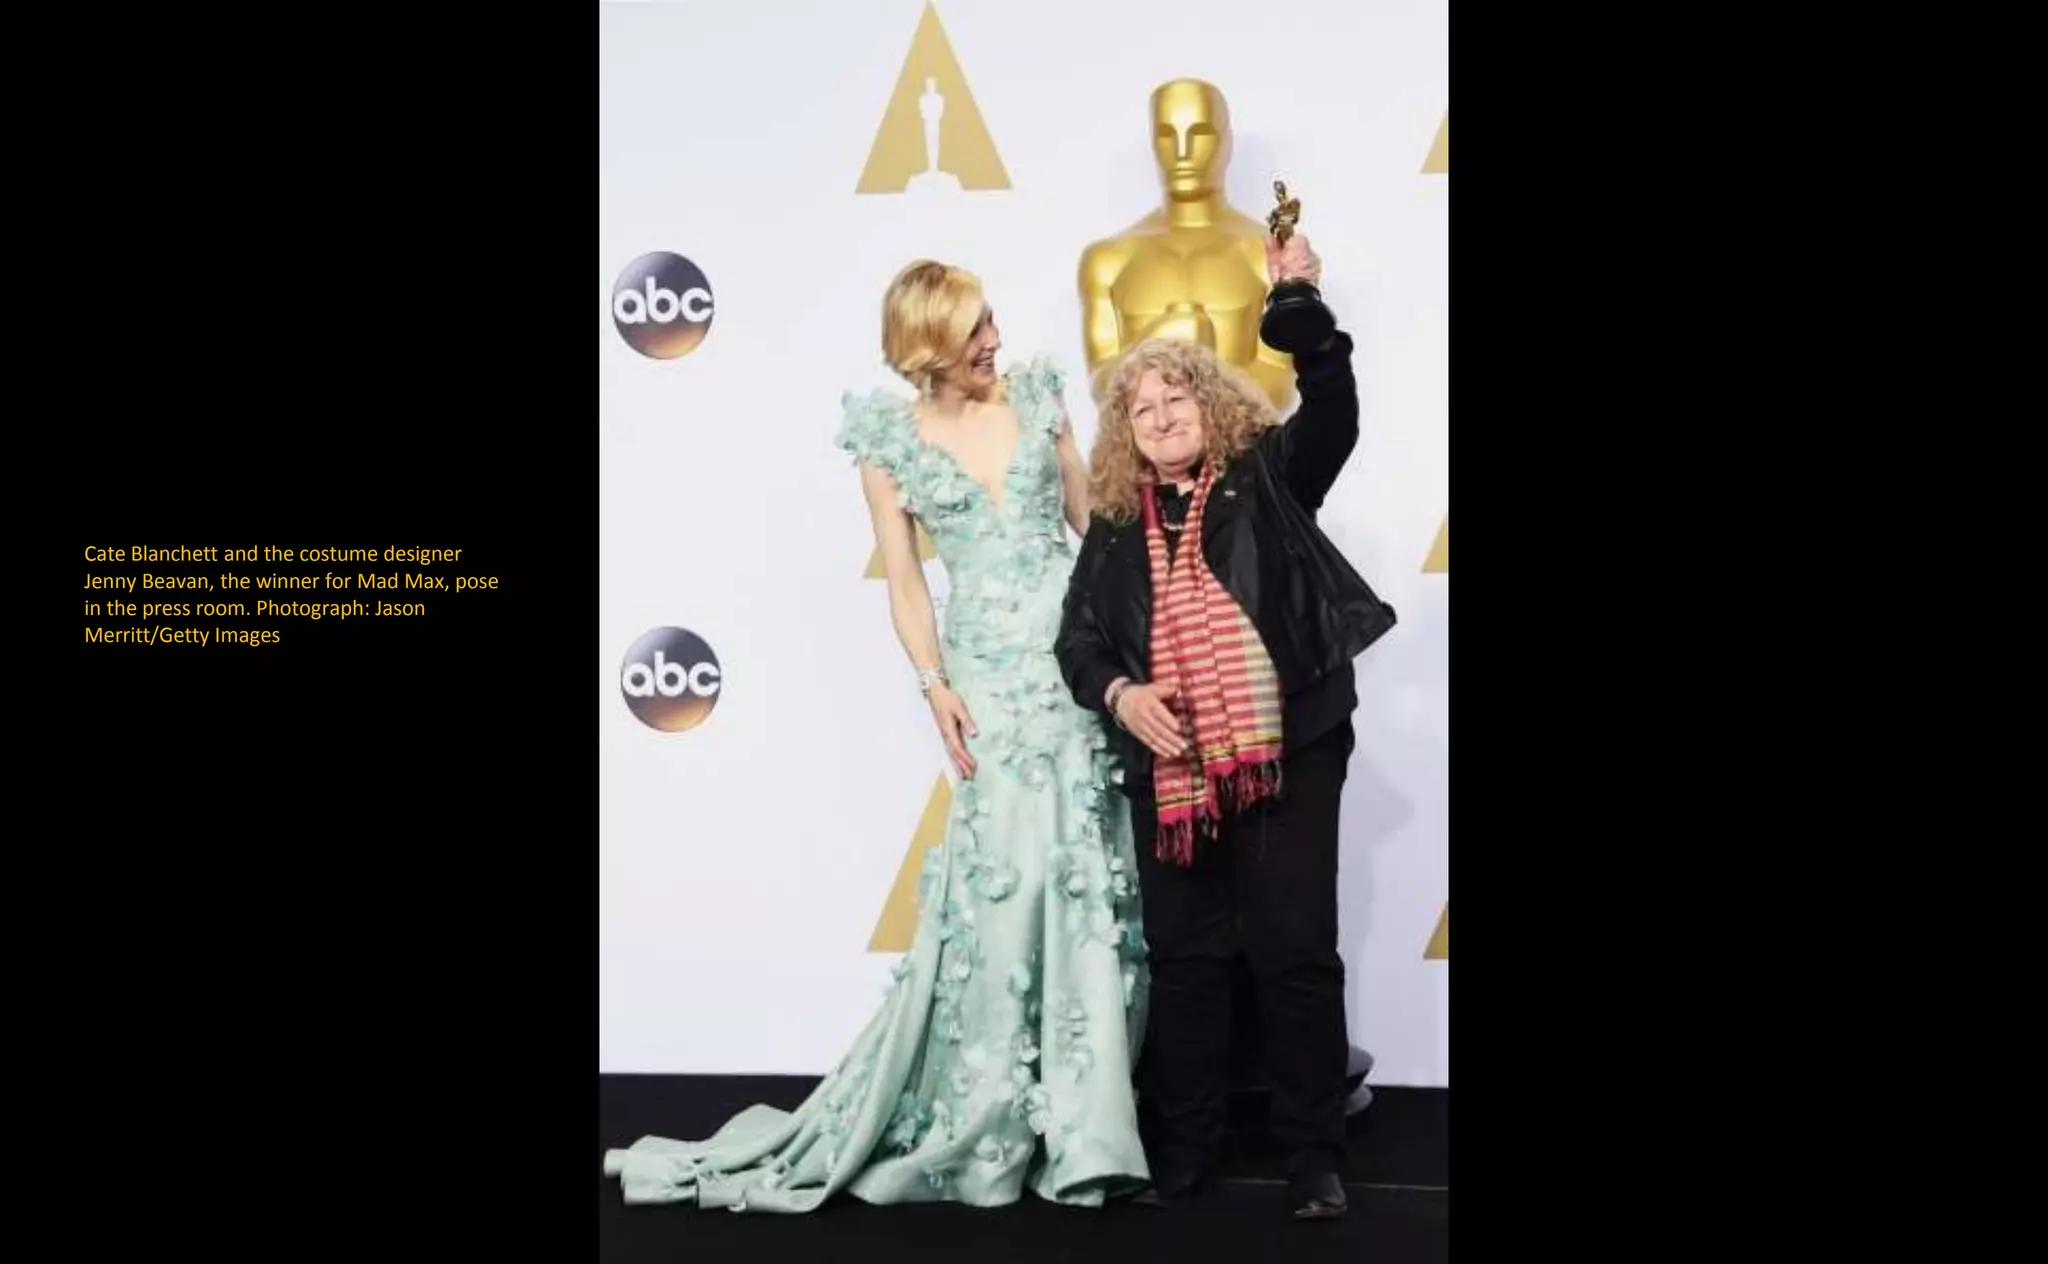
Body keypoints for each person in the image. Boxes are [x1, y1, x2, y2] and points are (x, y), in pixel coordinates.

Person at [602, 260, 1151, 1213]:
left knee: (1090, 873)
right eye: (974, 331)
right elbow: (903, 582)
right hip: (986, 674)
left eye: (992, 320)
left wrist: (1139, 637)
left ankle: (1093, 1123)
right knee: (1006, 882)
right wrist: (934, 685)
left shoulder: (1038, 393)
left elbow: (1090, 523)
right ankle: (993, 1109)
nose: (994, 341)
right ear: (928, 347)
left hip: (1072, 659)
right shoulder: (886, 440)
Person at [1055, 232, 1395, 1220]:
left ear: (1209, 402)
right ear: (1125, 432)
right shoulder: (1118, 527)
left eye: (1176, 398)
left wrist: (1303, 315)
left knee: (1294, 947)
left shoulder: (1269, 478)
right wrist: (1121, 694)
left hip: (1289, 744)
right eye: (1141, 408)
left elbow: (1330, 414)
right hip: (1171, 765)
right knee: (1186, 956)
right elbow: (1077, 641)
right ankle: (1186, 1149)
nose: (1161, 418)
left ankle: (1312, 1158)